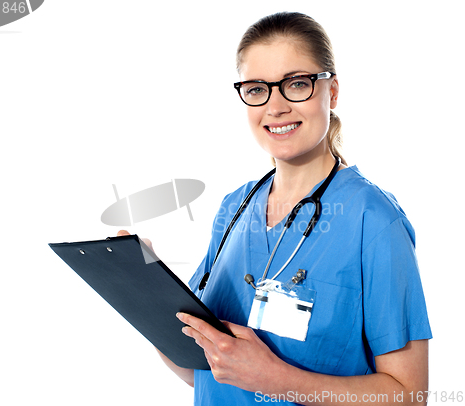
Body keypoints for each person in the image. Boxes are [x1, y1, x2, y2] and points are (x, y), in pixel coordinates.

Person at [120, 11, 432, 405]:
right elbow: (199, 370)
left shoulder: (374, 221)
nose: (276, 106)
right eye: (256, 89)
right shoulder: (235, 208)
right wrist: (144, 293)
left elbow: (410, 395)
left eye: (296, 84)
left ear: (332, 92)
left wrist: (278, 379)